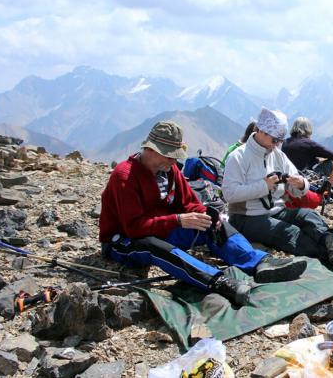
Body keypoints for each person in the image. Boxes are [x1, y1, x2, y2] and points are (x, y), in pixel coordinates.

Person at [99, 121, 307, 306]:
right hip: (123, 240)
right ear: (151, 150)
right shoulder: (125, 177)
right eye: (169, 156)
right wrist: (179, 220)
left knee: (212, 222)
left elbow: (189, 202)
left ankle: (260, 263)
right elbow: (134, 227)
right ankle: (217, 281)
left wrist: (205, 215)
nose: (174, 162)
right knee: (153, 247)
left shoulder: (170, 171)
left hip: (162, 228)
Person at [223, 108, 333, 267]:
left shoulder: (278, 155)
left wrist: (301, 184)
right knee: (288, 232)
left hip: (276, 210)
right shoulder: (239, 156)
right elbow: (229, 194)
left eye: (280, 141)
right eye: (275, 140)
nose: (277, 145)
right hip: (246, 217)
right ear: (261, 131)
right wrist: (264, 186)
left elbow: (298, 185)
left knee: (308, 216)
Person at [282, 117, 333, 186]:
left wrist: (317, 160)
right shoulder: (308, 143)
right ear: (308, 129)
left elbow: (299, 159)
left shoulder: (285, 142)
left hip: (287, 177)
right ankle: (329, 190)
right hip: (303, 179)